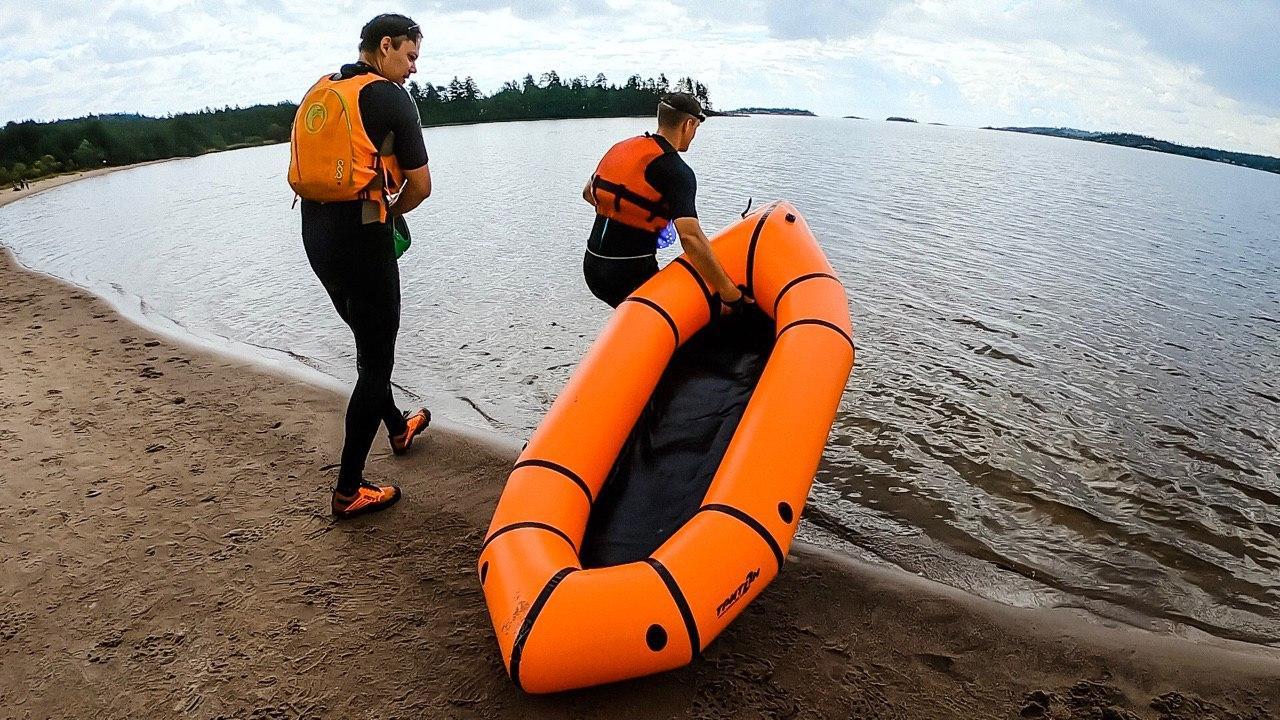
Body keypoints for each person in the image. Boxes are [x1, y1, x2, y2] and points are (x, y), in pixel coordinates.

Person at [288, 13, 432, 519]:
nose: (413, 68)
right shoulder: (390, 97)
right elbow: (420, 186)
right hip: (362, 236)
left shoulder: (323, 89)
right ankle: (349, 489)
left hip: (315, 234)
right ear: (386, 45)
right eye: (410, 56)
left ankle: (397, 427)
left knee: (367, 340)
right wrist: (389, 214)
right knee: (376, 360)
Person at [581, 92, 752, 312]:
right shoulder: (677, 171)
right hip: (628, 276)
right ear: (688, 124)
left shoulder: (621, 148)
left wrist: (630, 213)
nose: (693, 136)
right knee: (708, 312)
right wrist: (732, 295)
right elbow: (690, 238)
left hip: (592, 268)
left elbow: (588, 193)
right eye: (696, 129)